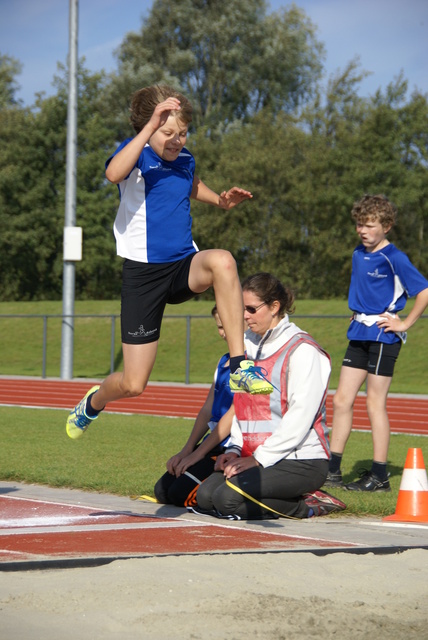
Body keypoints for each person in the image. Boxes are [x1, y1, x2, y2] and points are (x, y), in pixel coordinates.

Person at [66, 84, 273, 440]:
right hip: (143, 276)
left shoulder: (185, 159)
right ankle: (93, 402)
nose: (177, 141)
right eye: (168, 133)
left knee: (223, 261)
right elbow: (113, 174)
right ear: (149, 127)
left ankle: (241, 365)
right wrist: (149, 128)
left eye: (183, 133)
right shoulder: (137, 157)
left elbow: (190, 185)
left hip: (181, 265)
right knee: (134, 384)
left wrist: (221, 201)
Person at [195, 272, 347, 520]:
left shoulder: (304, 350)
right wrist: (234, 448)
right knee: (206, 496)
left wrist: (259, 458)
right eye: (242, 308)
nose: (244, 316)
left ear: (275, 307)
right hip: (256, 455)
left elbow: (300, 418)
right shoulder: (244, 346)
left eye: (252, 309)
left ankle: (309, 504)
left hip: (301, 460)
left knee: (227, 499)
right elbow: (244, 406)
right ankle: (287, 496)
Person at [325, 194, 428, 492]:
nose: (362, 230)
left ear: (387, 226)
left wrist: (404, 323)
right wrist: (357, 313)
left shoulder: (394, 257)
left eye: (369, 225)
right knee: (341, 400)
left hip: (384, 336)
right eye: (359, 224)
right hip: (359, 333)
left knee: (374, 404)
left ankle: (379, 476)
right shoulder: (359, 252)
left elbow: (423, 292)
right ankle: (332, 471)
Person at [154, 306, 233, 507]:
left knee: (180, 494)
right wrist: (187, 450)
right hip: (214, 442)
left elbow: (235, 417)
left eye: (228, 326)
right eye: (220, 327)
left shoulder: (249, 365)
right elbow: (208, 410)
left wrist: (198, 454)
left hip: (233, 446)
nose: (224, 332)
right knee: (162, 491)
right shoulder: (223, 361)